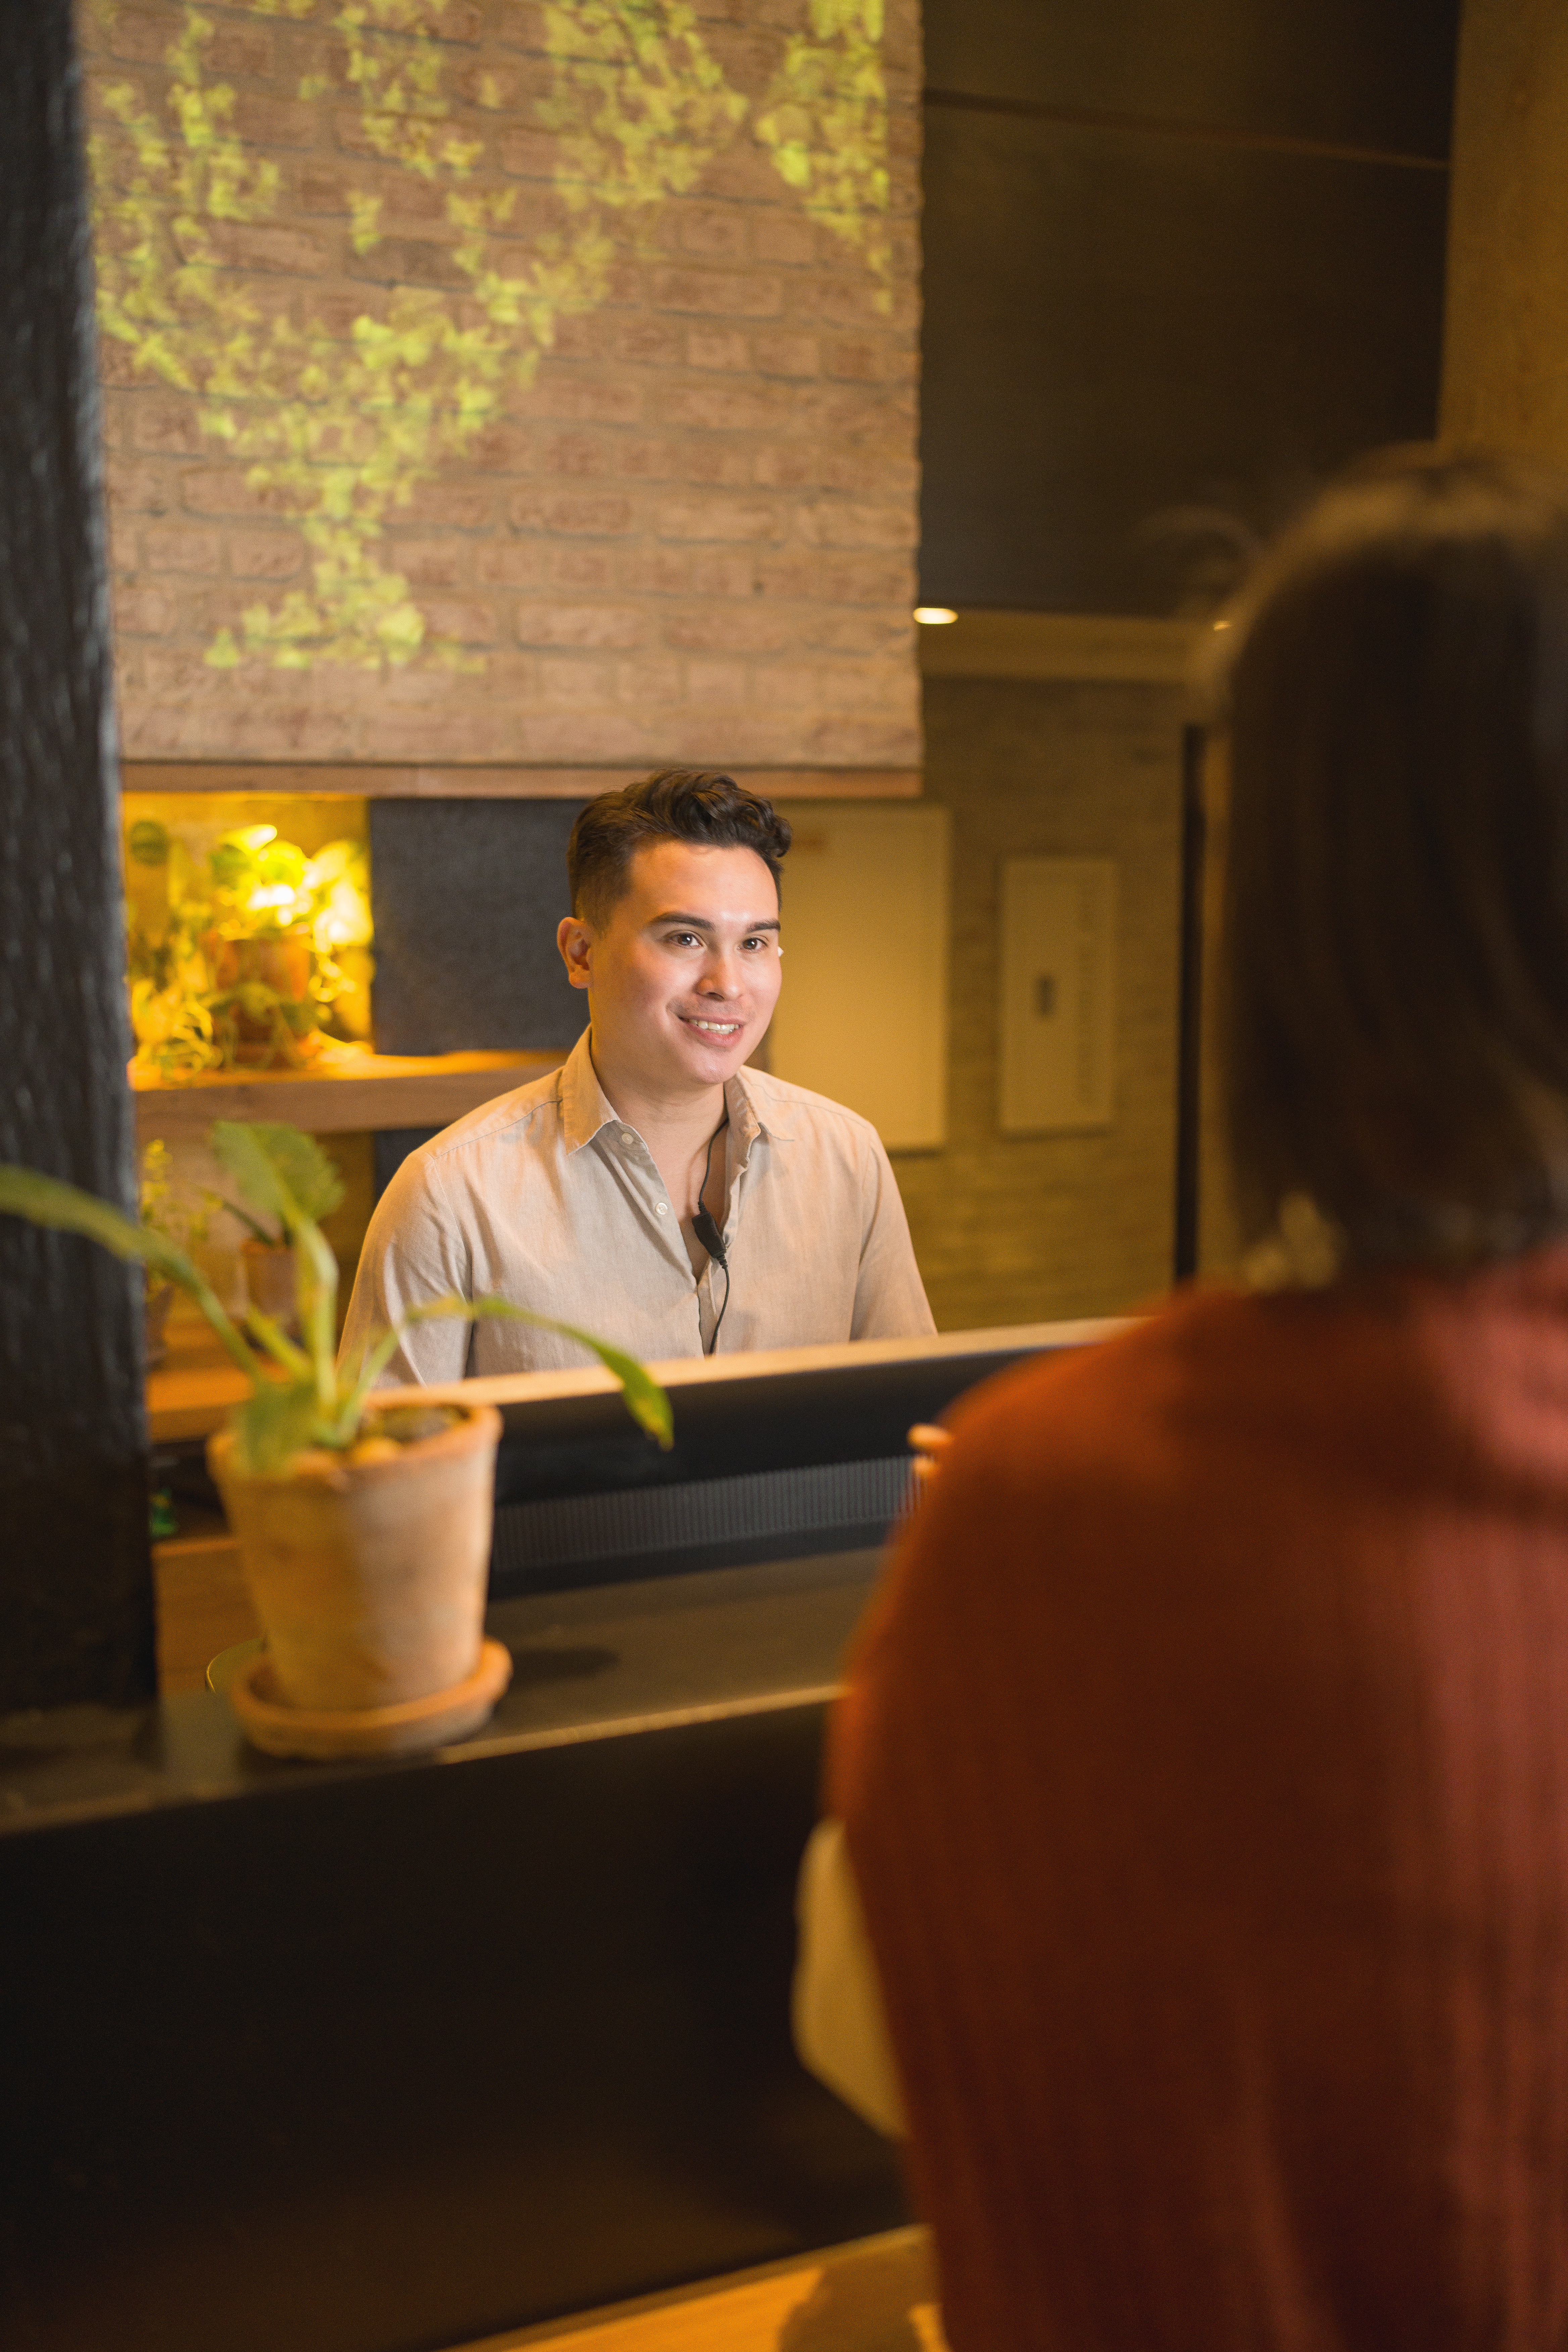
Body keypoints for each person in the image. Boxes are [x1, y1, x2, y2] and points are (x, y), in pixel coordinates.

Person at [801, 449, 1568, 2349]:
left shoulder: (1050, 1503)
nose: (726, 982)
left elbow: (877, 2014)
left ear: (1275, 914)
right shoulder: (466, 1181)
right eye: (689, 937)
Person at [341, 769, 933, 1382]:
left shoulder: (847, 1157)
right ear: (581, 954)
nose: (728, 985)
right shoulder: (449, 1197)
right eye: (685, 938)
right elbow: (388, 1471)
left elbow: (910, 1422)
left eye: (755, 944)